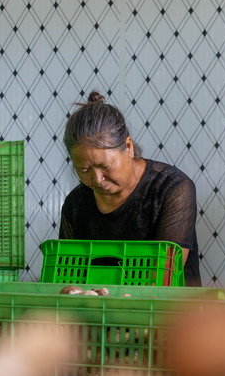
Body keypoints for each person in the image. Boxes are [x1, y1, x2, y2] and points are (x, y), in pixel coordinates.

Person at [58, 91, 202, 286]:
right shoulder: (76, 204)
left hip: (169, 311)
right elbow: (68, 278)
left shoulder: (172, 189)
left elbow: (164, 276)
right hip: (98, 312)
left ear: (128, 146)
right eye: (83, 170)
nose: (97, 179)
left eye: (105, 166)